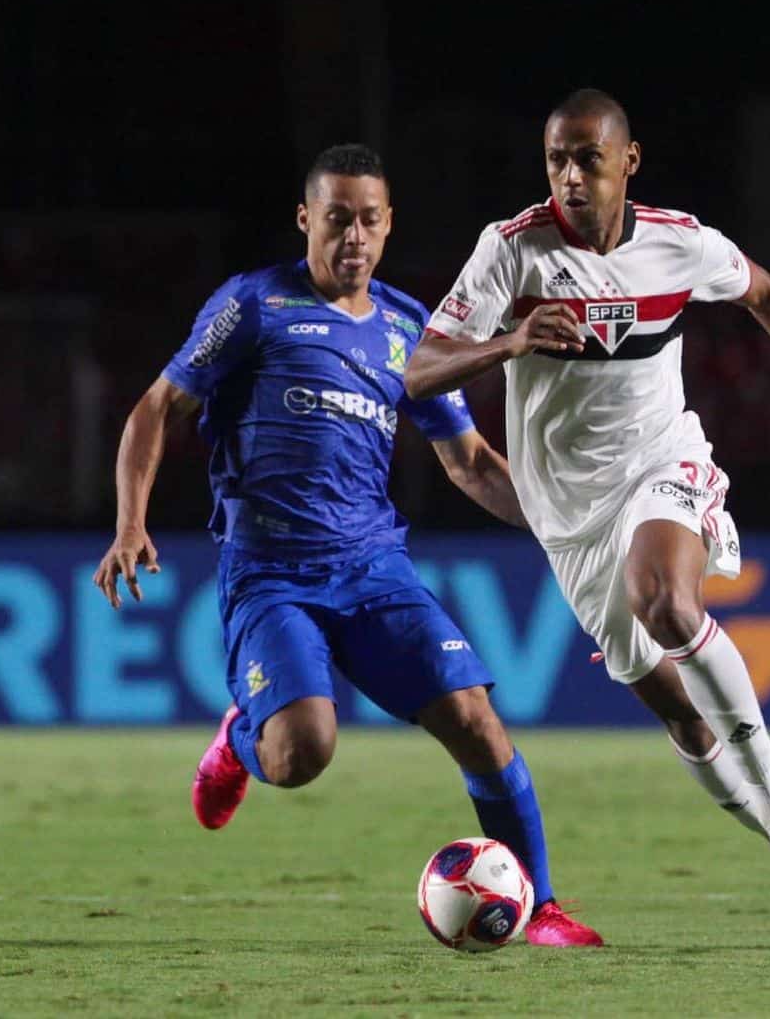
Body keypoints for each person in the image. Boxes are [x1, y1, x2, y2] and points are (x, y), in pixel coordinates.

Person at [405, 89, 770, 949]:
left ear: (627, 162)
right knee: (682, 717)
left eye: (587, 158)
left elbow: (769, 296)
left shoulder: (678, 242)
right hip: (569, 517)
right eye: (556, 158)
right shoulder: (512, 251)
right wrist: (511, 344)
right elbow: (418, 371)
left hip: (660, 463)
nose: (569, 175)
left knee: (665, 600)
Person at [92, 143, 602, 948]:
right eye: (337, 219)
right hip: (270, 574)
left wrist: (571, 532)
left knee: (475, 716)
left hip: (373, 569)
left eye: (369, 220)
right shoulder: (253, 306)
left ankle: (542, 908)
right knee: (303, 750)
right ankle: (240, 737)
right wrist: (131, 522)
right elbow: (157, 408)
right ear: (306, 219)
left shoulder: (407, 328)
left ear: (389, 223)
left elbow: (470, 463)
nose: (353, 236)